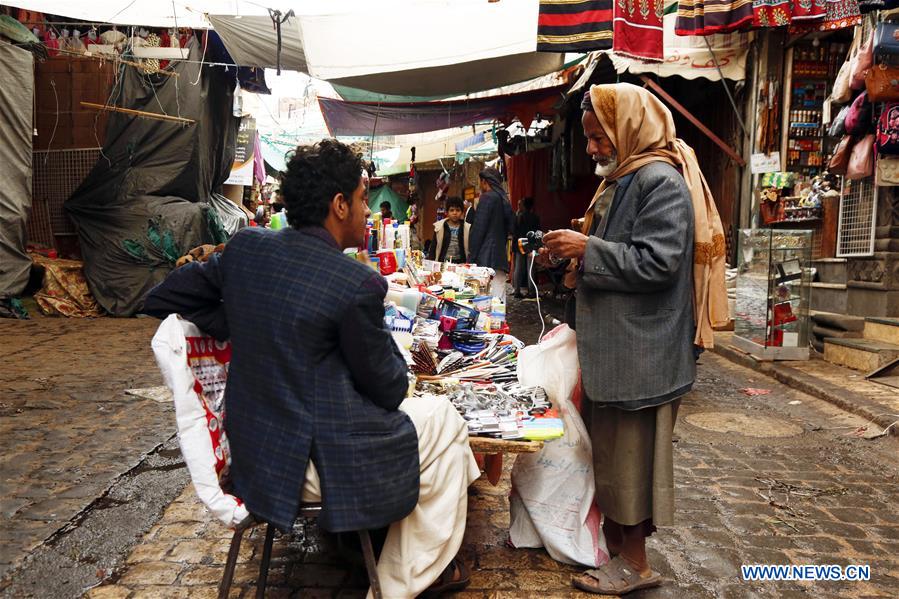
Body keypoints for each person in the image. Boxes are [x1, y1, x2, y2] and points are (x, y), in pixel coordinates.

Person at [142, 139, 479, 598]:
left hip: (257, 455)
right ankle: (401, 582)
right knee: (445, 420)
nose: (366, 209)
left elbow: (166, 294)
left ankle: (419, 541)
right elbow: (389, 388)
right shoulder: (355, 282)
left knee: (445, 437)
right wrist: (249, 324)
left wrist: (247, 323)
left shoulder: (246, 249)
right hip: (311, 461)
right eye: (362, 199)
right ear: (339, 205)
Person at [541, 84, 728, 595]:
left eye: (598, 137)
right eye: (589, 138)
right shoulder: (625, 181)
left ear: (628, 129)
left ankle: (636, 565)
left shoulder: (659, 182)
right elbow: (617, 252)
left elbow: (657, 262)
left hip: (640, 355)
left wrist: (588, 247)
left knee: (630, 465)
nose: (592, 149)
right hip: (618, 352)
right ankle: (621, 554)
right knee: (614, 460)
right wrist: (570, 256)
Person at [468, 167, 514, 301]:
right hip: (499, 258)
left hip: (486, 259)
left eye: (480, 182)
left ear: (484, 182)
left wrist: (471, 257)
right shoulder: (502, 199)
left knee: (485, 302)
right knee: (498, 300)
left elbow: (478, 230)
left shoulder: (487, 198)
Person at [428, 196, 470, 263]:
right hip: (443, 262)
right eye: (452, 210)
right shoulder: (440, 227)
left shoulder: (467, 228)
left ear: (462, 212)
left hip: (461, 264)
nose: (455, 213)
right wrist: (430, 263)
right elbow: (433, 247)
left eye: (458, 210)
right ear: (447, 212)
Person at [512, 196, 540, 298]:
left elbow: (515, 231)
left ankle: (517, 291)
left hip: (520, 245)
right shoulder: (535, 217)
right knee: (530, 268)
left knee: (518, 268)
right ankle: (531, 291)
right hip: (531, 245)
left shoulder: (519, 216)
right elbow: (538, 232)